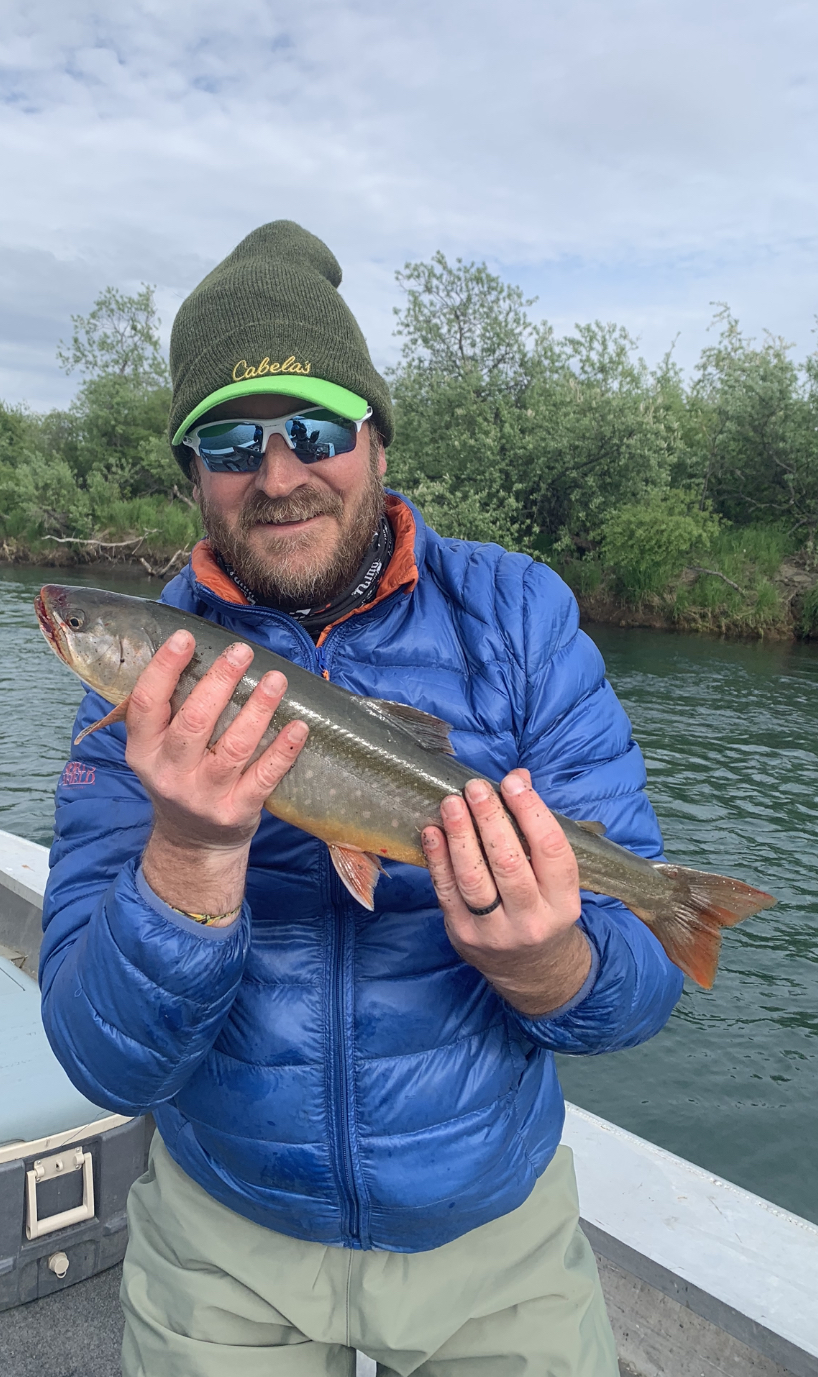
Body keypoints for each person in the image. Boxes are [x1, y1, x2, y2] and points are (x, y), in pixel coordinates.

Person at [41, 220, 683, 1377]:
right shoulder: (132, 712)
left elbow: (632, 1003)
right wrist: (186, 853)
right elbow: (104, 1066)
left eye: (315, 428)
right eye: (231, 441)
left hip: (495, 1241)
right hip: (220, 1248)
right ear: (193, 477)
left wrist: (542, 963)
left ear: (376, 441)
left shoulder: (520, 620)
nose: (277, 473)